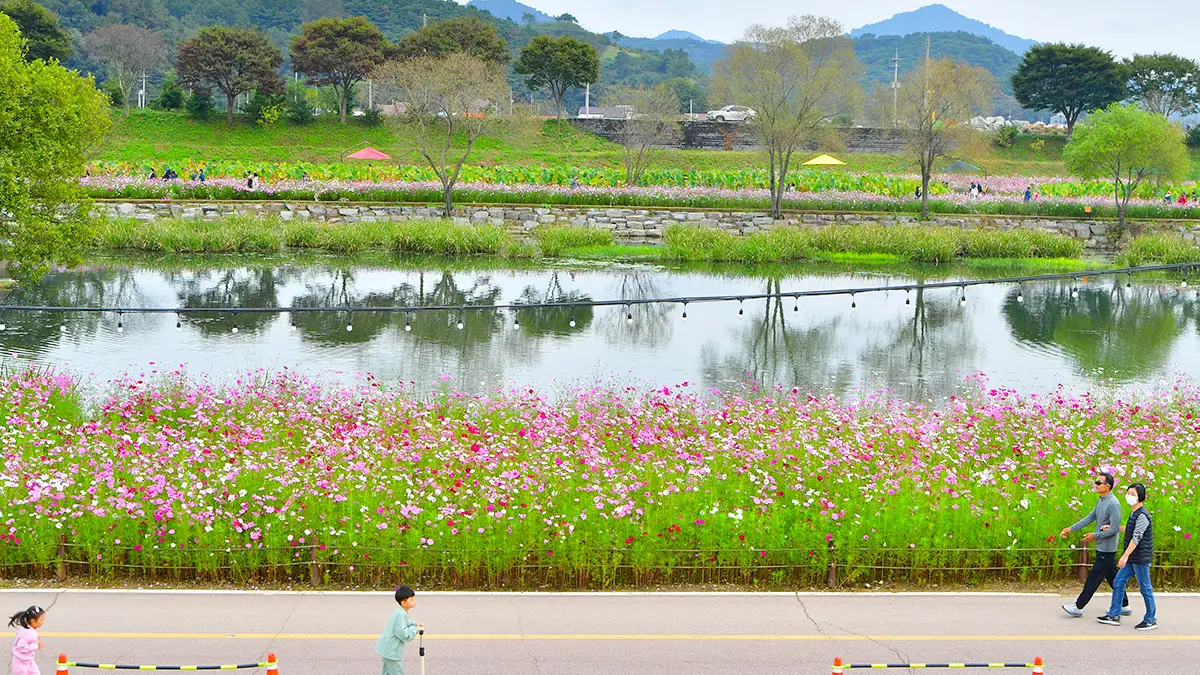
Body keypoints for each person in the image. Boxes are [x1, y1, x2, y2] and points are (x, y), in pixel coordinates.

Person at [1060, 472, 1130, 617]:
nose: (1096, 485)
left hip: (1107, 548)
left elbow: (1114, 529)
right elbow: (1091, 517)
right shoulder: (1101, 500)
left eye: (1099, 483)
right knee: (1113, 577)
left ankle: (1078, 607)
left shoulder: (1113, 504)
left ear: (1108, 486)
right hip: (1102, 547)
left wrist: (1095, 536)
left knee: (1093, 578)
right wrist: (1071, 528)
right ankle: (1124, 604)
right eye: (1096, 482)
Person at [1097, 483, 1157, 630]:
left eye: (1133, 494)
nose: (1129, 496)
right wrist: (1114, 528)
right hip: (1133, 557)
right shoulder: (1134, 512)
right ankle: (1114, 614)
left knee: (1145, 588)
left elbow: (1136, 537)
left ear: (1141, 497)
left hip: (1140, 558)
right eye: (1128, 493)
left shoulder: (1142, 515)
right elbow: (1130, 529)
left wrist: (1124, 556)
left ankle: (1150, 619)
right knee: (1118, 581)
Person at [377, 585, 422, 675]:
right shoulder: (400, 614)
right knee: (397, 672)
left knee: (387, 672)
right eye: (412, 600)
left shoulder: (400, 612)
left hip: (387, 650)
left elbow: (404, 623)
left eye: (414, 599)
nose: (415, 601)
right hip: (391, 652)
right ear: (404, 603)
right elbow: (404, 634)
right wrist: (415, 629)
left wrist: (414, 624)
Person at [9, 605, 44, 675]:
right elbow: (22, 647)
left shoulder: (29, 628)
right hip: (21, 663)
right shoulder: (26, 633)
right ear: (33, 621)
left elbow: (31, 637)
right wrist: (36, 646)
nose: (43, 622)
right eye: (41, 620)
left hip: (29, 660)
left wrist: (36, 637)